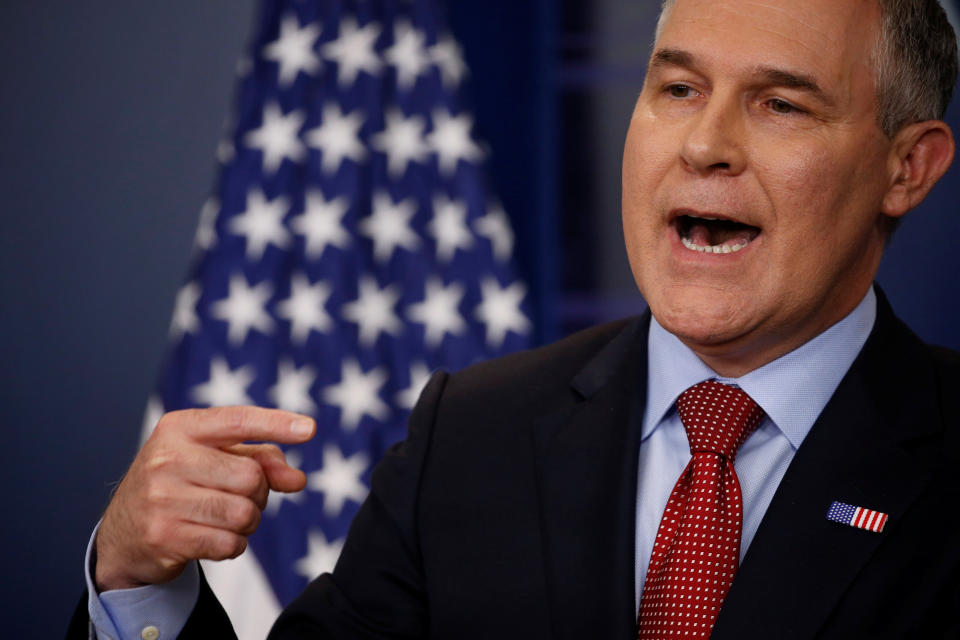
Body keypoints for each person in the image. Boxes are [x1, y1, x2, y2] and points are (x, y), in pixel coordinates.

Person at [70, 0, 960, 637]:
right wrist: (138, 585)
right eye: (679, 89)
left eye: (781, 104)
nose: (704, 145)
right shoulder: (472, 433)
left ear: (907, 169)